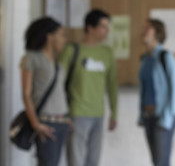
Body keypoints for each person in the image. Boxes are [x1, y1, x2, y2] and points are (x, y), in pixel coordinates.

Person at [60, 9, 118, 166]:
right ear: (90, 28)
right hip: (76, 113)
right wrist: (63, 114)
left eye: (108, 27)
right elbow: (58, 84)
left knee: (93, 161)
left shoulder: (107, 53)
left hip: (98, 114)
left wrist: (114, 113)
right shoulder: (72, 50)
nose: (107, 31)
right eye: (103, 26)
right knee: (76, 160)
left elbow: (112, 85)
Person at [20, 17, 69, 166]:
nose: (64, 40)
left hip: (62, 122)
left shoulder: (56, 60)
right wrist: (35, 124)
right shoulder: (31, 58)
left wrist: (68, 117)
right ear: (49, 36)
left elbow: (59, 92)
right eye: (61, 35)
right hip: (46, 123)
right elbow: (26, 94)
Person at [138, 19, 175, 166]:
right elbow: (144, 89)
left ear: (157, 33)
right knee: (156, 162)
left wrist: (167, 117)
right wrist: (141, 115)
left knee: (162, 162)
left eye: (147, 28)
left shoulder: (165, 56)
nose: (143, 31)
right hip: (148, 116)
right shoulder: (145, 59)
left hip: (163, 116)